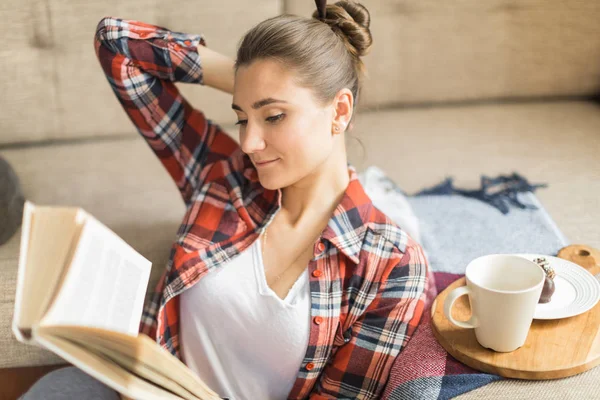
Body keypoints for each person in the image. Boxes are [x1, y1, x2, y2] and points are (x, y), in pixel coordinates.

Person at [21, 1, 430, 399]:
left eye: (273, 116)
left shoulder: (392, 266)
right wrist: (249, 82)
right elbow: (117, 45)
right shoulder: (224, 177)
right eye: (241, 117)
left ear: (339, 111)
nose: (249, 142)